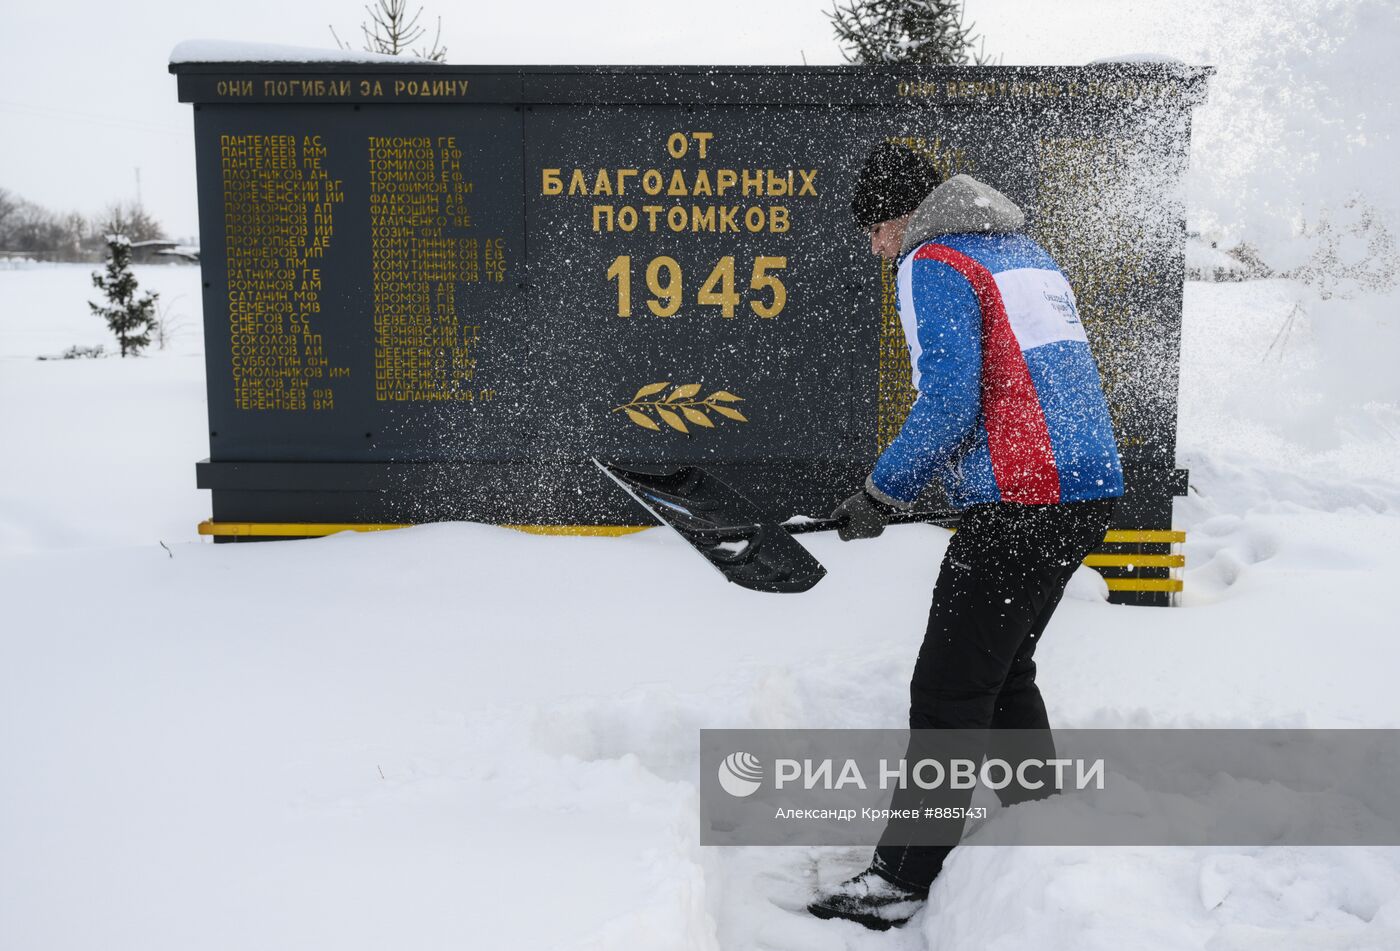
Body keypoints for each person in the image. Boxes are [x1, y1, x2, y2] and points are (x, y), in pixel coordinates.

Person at [806, 142, 1125, 931]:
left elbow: (951, 398)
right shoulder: (1023, 252)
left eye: (874, 229)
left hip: (1027, 493)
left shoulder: (934, 260)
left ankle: (900, 879)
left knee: (948, 688)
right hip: (1084, 485)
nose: (876, 248)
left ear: (900, 214)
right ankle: (1039, 830)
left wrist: (882, 489)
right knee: (1001, 670)